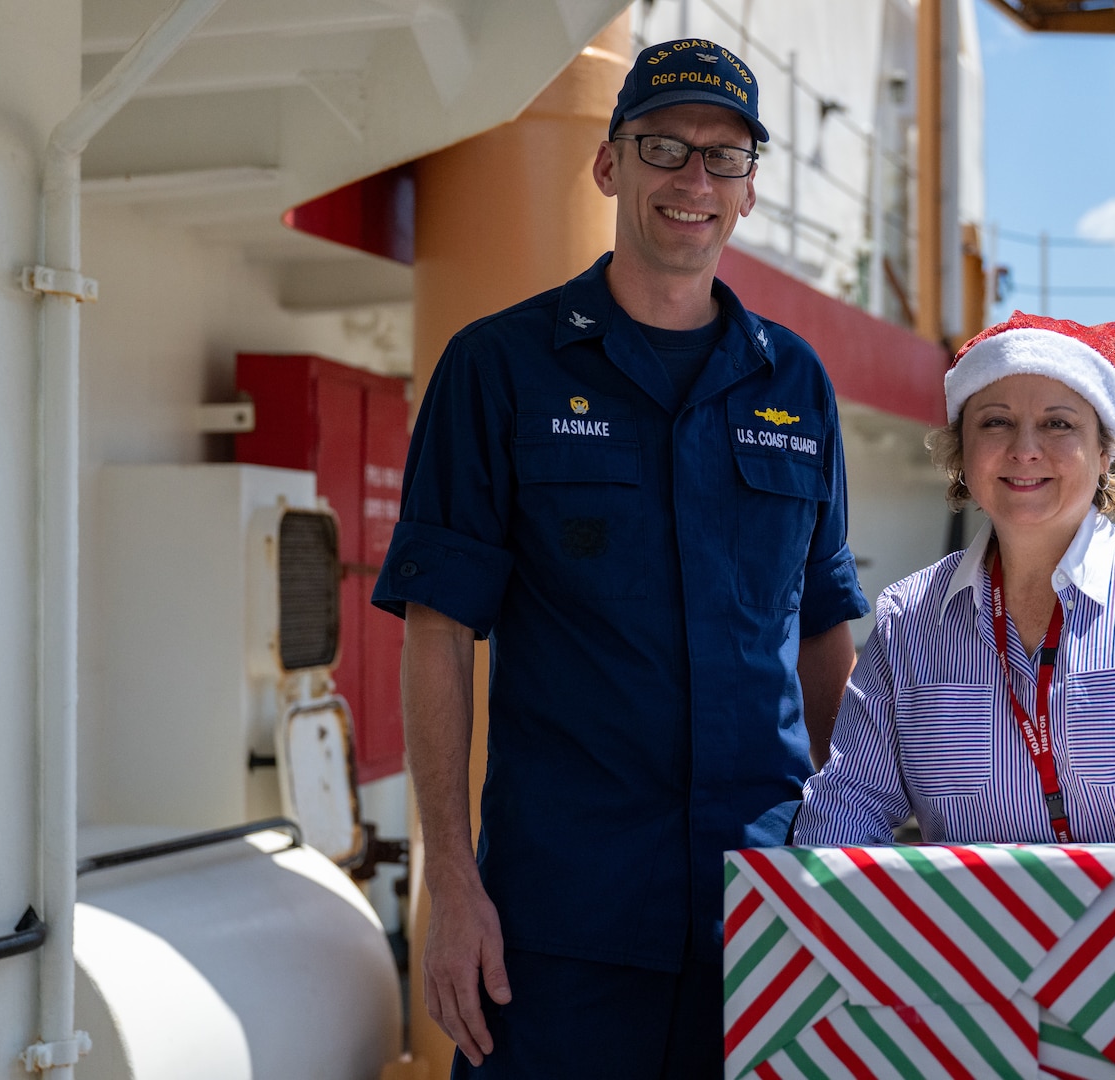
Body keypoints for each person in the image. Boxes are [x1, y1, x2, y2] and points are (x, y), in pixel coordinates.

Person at [371, 38, 869, 1080]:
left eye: (723, 159)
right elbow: (438, 630)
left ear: (748, 192)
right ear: (609, 164)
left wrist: (864, 871)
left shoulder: (800, 385)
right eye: (664, 148)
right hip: (558, 929)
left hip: (767, 912)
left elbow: (823, 625)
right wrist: (450, 885)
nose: (693, 180)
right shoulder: (498, 369)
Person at [793, 312, 1115, 1080]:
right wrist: (818, 934)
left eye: (1059, 423)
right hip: (978, 1020)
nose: (1025, 448)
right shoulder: (908, 622)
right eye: (995, 421)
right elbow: (850, 803)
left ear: (1106, 452)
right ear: (962, 455)